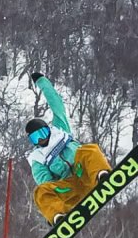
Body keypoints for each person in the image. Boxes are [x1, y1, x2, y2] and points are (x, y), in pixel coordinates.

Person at [25, 71, 113, 225]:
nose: (41, 138)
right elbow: (46, 182)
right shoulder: (38, 159)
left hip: (85, 173)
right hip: (70, 189)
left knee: (88, 150)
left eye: (43, 133)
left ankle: (102, 176)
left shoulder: (60, 129)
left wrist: (42, 82)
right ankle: (58, 216)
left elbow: (55, 102)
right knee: (40, 191)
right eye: (35, 138)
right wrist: (54, 196)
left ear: (48, 129)